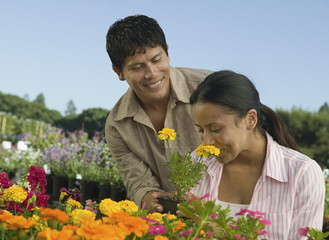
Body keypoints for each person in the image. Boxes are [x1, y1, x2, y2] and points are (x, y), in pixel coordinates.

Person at [189, 70, 325, 239]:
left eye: (215, 129)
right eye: (200, 130)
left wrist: (220, 231)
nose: (206, 142)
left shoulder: (302, 174)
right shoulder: (197, 161)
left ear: (251, 119)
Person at [104, 14, 213, 212]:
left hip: (229, 214)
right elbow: (138, 183)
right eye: (137, 67)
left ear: (168, 52)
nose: (152, 73)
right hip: (171, 220)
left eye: (157, 60)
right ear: (118, 72)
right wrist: (150, 198)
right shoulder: (117, 125)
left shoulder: (210, 87)